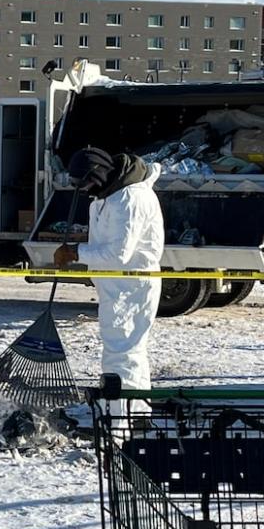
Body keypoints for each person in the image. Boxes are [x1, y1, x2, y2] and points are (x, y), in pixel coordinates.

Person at [54, 147, 164, 408]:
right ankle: (122, 408)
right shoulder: (108, 195)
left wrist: (75, 252)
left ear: (100, 174)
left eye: (88, 183)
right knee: (120, 350)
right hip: (116, 286)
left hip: (130, 286)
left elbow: (119, 254)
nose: (86, 190)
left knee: (125, 352)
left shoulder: (130, 199)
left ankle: (126, 415)